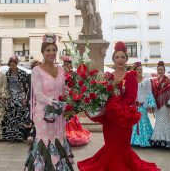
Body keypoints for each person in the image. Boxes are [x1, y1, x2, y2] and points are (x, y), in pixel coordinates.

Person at [77, 42, 160, 171]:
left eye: (122, 57)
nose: (120, 60)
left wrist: (111, 108)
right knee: (111, 145)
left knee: (121, 146)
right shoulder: (108, 76)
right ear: (113, 60)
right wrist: (98, 105)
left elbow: (131, 98)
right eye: (117, 57)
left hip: (123, 118)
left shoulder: (131, 75)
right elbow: (104, 96)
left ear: (127, 59)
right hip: (109, 120)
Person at [25, 34, 74, 170]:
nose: (51, 53)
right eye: (48, 50)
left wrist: (71, 99)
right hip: (43, 115)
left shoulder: (61, 69)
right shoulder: (36, 70)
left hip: (59, 115)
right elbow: (39, 95)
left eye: (54, 50)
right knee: (45, 141)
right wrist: (55, 103)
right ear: (43, 52)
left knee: (59, 139)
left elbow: (64, 90)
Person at [150, 61, 170, 148]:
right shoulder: (154, 81)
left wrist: (168, 101)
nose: (160, 71)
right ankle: (159, 138)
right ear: (157, 70)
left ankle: (169, 138)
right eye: (158, 70)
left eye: (161, 69)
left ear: (164, 70)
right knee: (158, 121)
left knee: (165, 120)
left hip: (164, 104)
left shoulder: (168, 80)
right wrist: (152, 104)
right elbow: (152, 92)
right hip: (157, 104)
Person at [63, 56, 91, 146]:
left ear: (71, 65)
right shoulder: (61, 73)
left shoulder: (74, 74)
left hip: (71, 95)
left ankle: (72, 131)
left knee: (71, 112)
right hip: (63, 95)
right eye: (65, 64)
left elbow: (77, 85)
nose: (67, 66)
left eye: (69, 64)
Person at [2, 56, 29, 141]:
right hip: (11, 97)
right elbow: (6, 86)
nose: (12, 67)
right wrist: (6, 97)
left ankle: (21, 135)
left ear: (16, 64)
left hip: (20, 96)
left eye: (13, 65)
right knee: (10, 115)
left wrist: (24, 98)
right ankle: (10, 136)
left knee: (20, 115)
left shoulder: (23, 73)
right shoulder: (7, 73)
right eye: (10, 65)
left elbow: (26, 87)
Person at [130, 62, 156, 147]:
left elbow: (149, 93)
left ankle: (143, 140)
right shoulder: (132, 81)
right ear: (135, 70)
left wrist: (149, 105)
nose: (140, 70)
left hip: (142, 106)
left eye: (141, 69)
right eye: (138, 69)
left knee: (143, 121)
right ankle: (134, 140)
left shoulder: (147, 81)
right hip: (133, 106)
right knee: (133, 123)